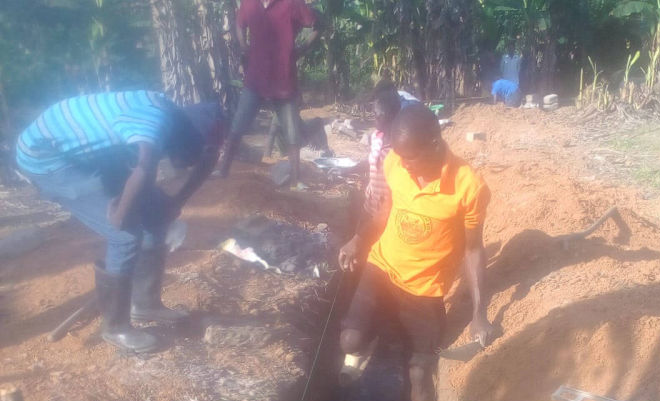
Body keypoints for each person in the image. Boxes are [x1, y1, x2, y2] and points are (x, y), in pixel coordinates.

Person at [338, 104, 492, 401]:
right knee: (349, 340)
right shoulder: (396, 162)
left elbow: (473, 250)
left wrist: (479, 313)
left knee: (420, 374)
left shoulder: (468, 186)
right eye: (400, 156)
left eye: (412, 158)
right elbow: (383, 211)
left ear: (435, 145)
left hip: (425, 289)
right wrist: (358, 239)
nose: (403, 165)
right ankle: (378, 336)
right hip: (382, 267)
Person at [16, 90, 222, 354]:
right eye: (183, 157)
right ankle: (115, 327)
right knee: (125, 235)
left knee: (155, 213)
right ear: (182, 140)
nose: (179, 164)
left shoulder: (191, 120)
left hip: (88, 148)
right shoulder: (153, 122)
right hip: (47, 155)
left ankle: (144, 304)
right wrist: (120, 213)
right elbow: (145, 168)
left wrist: (173, 203)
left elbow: (204, 160)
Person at [216, 0, 321, 187]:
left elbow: (317, 25)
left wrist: (301, 49)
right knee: (238, 124)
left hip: (283, 79)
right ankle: (223, 170)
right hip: (256, 77)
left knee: (291, 132)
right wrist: (244, 45)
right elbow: (239, 24)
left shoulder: (292, 3)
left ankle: (296, 181)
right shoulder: (249, 3)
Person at [338, 85, 402, 269]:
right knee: (360, 244)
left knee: (376, 252)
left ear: (390, 115)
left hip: (387, 211)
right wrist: (350, 169)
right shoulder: (376, 137)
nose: (373, 118)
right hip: (370, 203)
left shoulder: (401, 146)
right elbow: (370, 161)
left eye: (376, 114)